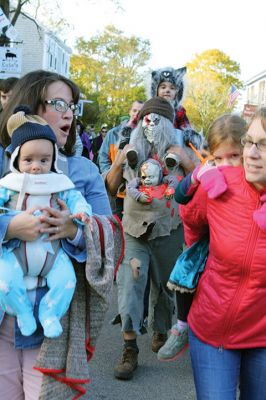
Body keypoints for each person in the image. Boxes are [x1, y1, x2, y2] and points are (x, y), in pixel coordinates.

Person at [0, 70, 112, 400]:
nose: (69, 113)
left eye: (72, 106)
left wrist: (74, 229)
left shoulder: (83, 171)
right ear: (30, 106)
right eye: (59, 103)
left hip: (53, 324)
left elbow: (110, 235)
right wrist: (9, 227)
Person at [173, 108, 266, 399]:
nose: (250, 153)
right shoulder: (219, 184)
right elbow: (190, 217)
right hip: (214, 331)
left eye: (262, 144)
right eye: (249, 142)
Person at [113, 97, 195, 380]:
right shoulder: (131, 149)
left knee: (164, 284)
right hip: (134, 230)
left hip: (169, 229)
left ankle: (160, 329)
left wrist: (185, 160)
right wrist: (119, 160)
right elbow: (110, 186)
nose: (152, 126)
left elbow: (203, 182)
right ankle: (129, 347)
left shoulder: (179, 150)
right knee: (131, 285)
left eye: (159, 121)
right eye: (148, 120)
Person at [158, 113, 247, 362]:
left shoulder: (253, 176)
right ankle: (182, 325)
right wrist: (198, 177)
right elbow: (182, 196)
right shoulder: (207, 170)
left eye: (234, 157)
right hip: (209, 237)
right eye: (219, 158)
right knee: (185, 269)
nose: (226, 164)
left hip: (241, 241)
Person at [0, 106, 92, 339]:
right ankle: (23, 313)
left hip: (51, 251)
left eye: (44, 160)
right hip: (15, 251)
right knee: (5, 281)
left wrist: (80, 214)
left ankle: (49, 313)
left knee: (66, 280)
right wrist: (9, 225)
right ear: (17, 158)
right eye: (28, 159)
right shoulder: (8, 184)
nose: (36, 166)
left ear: (52, 159)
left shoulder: (59, 182)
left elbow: (76, 199)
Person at [98, 100, 144, 219]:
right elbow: (103, 157)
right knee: (115, 224)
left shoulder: (146, 135)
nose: (136, 114)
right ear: (130, 112)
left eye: (140, 111)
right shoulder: (113, 133)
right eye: (134, 110)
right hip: (116, 191)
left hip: (136, 191)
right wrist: (109, 174)